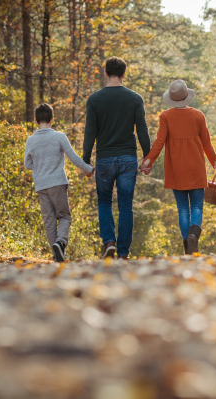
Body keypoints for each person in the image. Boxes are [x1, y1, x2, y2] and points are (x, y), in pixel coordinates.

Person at [140, 79, 216, 254]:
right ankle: (194, 235)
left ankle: (187, 245)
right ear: (187, 96)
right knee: (197, 207)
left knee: (183, 210)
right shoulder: (199, 115)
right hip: (196, 168)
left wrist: (148, 161)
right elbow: (207, 145)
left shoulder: (165, 116)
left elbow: (159, 142)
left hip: (175, 169)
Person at [83, 56, 150, 260]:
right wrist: (148, 156)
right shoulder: (135, 98)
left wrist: (86, 160)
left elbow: (90, 132)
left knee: (104, 201)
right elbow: (142, 129)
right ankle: (123, 253)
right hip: (128, 158)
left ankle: (109, 243)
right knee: (125, 204)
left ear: (105, 73)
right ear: (123, 74)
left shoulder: (94, 99)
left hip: (104, 159)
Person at [24, 103, 94, 262]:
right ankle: (60, 242)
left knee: (49, 221)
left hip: (41, 186)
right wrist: (88, 169)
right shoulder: (59, 136)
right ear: (52, 119)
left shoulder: (31, 140)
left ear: (36, 121)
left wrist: (40, 167)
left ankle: (57, 256)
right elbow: (74, 157)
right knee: (64, 217)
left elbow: (27, 165)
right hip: (57, 183)